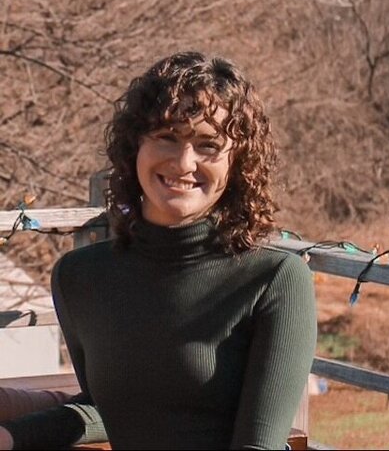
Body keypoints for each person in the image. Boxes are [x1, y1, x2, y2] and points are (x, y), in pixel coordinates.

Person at [0, 51, 317, 450]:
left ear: (237, 163)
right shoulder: (79, 278)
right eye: (167, 136)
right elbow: (110, 409)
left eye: (208, 145)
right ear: (135, 145)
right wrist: (11, 437)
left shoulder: (274, 280)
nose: (184, 162)